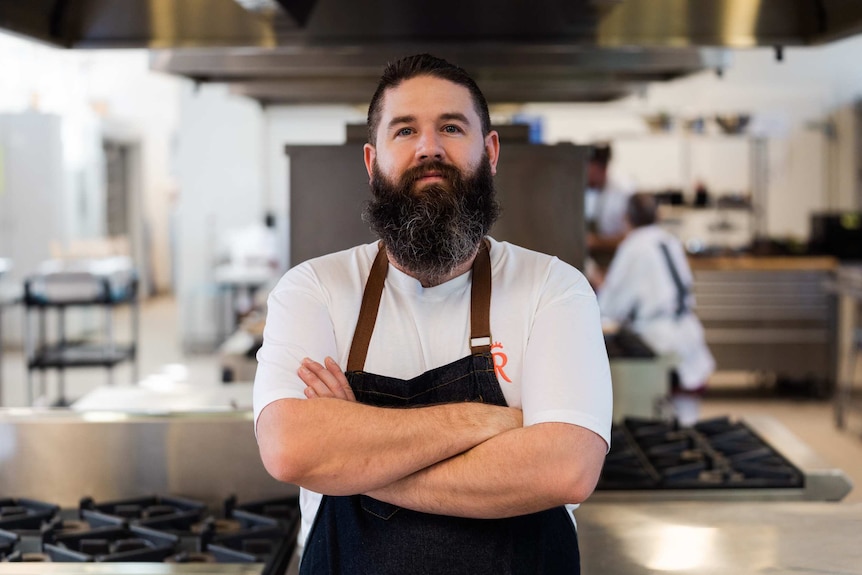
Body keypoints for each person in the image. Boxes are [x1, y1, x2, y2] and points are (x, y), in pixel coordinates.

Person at [253, 54, 612, 574]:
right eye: (405, 131)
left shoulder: (553, 289)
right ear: (373, 161)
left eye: (450, 126)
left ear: (489, 152)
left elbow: (565, 468)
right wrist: (489, 423)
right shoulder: (314, 290)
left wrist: (355, 460)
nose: (429, 147)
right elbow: (291, 449)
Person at [596, 193, 715, 425]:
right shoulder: (668, 240)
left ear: (627, 218)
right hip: (688, 329)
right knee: (687, 414)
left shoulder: (633, 246)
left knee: (663, 413)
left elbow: (610, 306)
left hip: (658, 334)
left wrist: (597, 282)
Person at [584, 144, 634, 258]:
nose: (586, 176)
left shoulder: (623, 190)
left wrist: (595, 241)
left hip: (620, 257)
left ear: (601, 168)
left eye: (588, 170)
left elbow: (629, 238)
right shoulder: (594, 191)